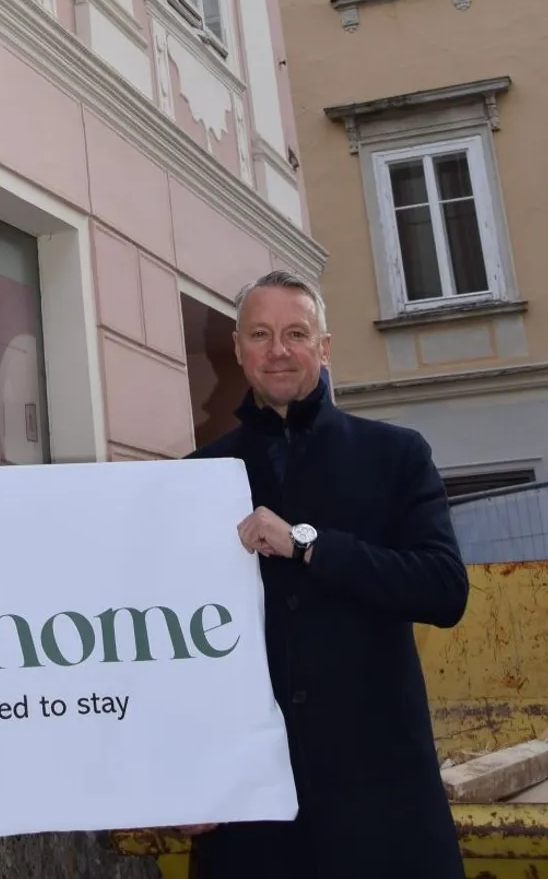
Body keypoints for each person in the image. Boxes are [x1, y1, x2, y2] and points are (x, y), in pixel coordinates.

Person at [183, 270, 469, 879]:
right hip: (254, 815)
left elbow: (444, 589)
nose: (278, 350)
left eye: (296, 333)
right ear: (237, 349)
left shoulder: (396, 454)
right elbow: (175, 643)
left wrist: (309, 546)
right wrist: (188, 773)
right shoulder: (198, 475)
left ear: (325, 346)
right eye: (260, 335)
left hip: (381, 806)